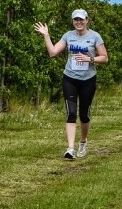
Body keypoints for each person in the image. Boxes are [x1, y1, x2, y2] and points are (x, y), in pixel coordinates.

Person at [34, 9, 108, 159]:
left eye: (81, 19)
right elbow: (53, 52)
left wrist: (90, 59)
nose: (79, 22)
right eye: (76, 20)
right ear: (73, 21)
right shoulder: (68, 36)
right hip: (70, 78)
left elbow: (105, 58)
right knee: (71, 113)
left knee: (84, 114)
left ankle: (83, 142)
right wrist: (46, 35)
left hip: (88, 79)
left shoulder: (95, 37)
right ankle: (70, 149)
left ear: (87, 20)